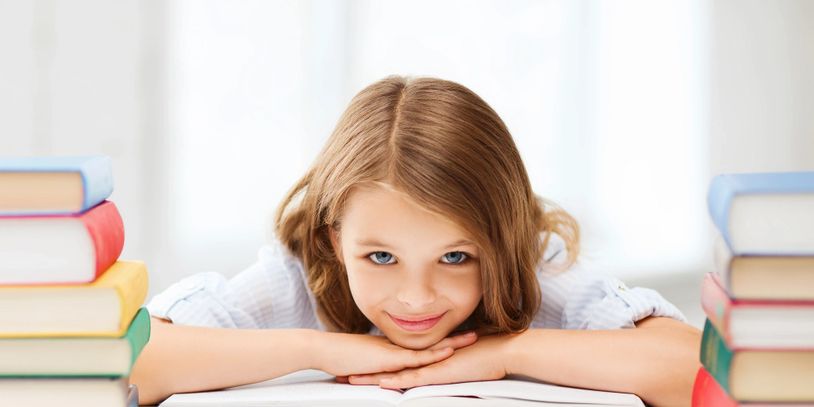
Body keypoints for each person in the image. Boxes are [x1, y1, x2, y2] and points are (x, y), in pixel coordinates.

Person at [130, 76, 702, 406]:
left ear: (500, 243)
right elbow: (131, 360)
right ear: (334, 240)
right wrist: (322, 348)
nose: (416, 299)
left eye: (455, 257)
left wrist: (505, 353)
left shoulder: (535, 275)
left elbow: (695, 368)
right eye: (380, 257)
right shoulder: (302, 277)